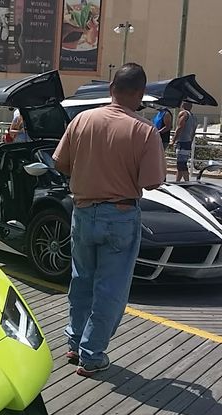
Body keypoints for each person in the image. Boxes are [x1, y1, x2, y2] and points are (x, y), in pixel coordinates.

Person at [53, 63, 165, 377]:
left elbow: (60, 162)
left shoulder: (82, 120)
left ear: (111, 88)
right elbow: (152, 181)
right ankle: (91, 354)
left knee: (81, 280)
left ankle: (74, 342)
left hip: (82, 211)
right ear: (141, 94)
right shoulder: (145, 130)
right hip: (120, 216)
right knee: (110, 288)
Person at [170, 101, 197, 182]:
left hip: (182, 142)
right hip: (188, 142)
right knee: (181, 164)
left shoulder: (183, 114)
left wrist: (173, 140)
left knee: (181, 165)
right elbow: (193, 131)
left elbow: (180, 127)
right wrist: (190, 141)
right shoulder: (194, 117)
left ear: (183, 105)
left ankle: (187, 182)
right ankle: (177, 182)